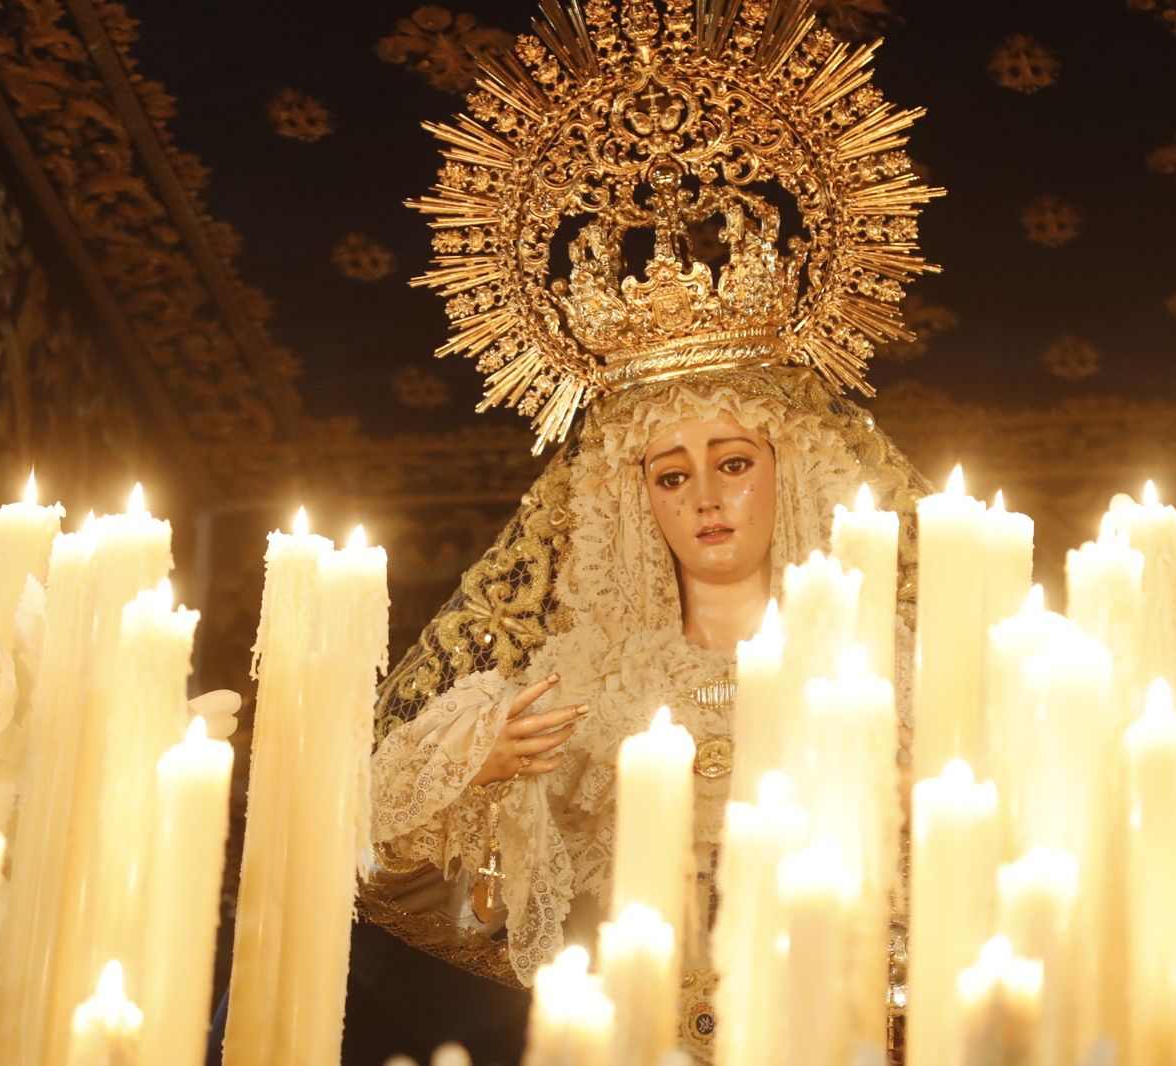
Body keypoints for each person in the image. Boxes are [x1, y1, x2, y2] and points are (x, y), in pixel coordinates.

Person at [359, 1, 942, 1060]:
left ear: (788, 472)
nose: (704, 499)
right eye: (669, 475)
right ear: (635, 502)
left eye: (732, 463)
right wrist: (470, 774)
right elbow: (379, 870)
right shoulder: (578, 687)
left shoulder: (897, 670)